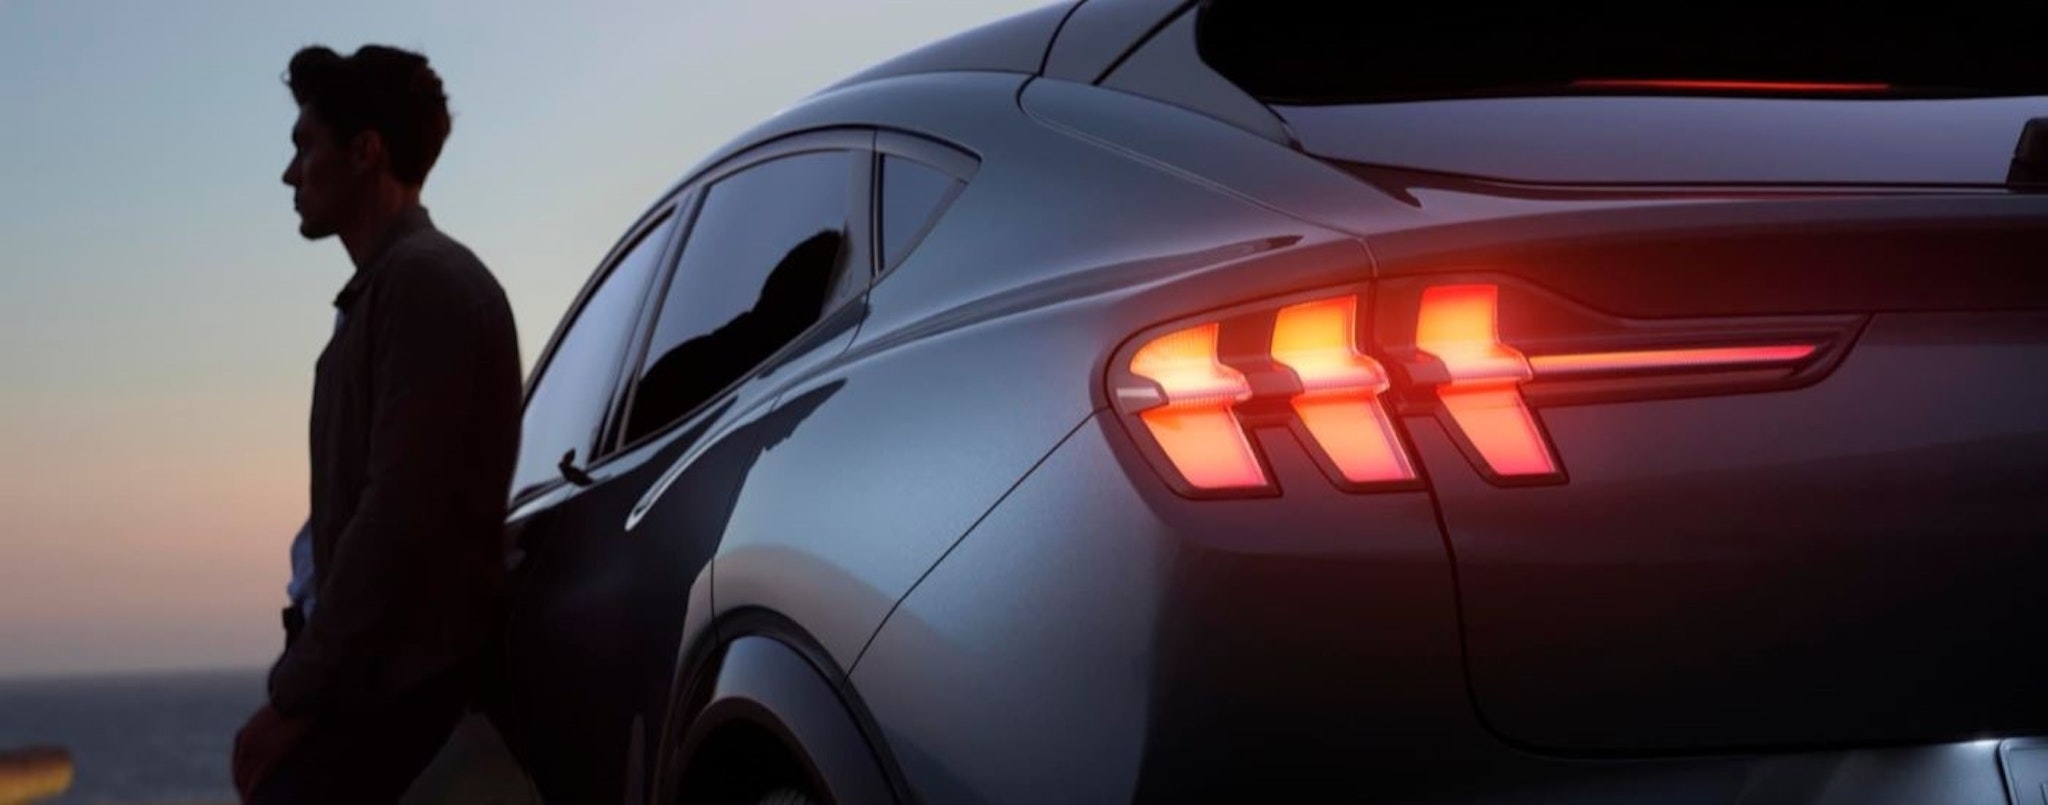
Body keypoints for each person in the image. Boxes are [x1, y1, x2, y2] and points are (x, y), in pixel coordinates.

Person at [231, 43, 522, 804]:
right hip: (373, 680)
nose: (291, 173)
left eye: (305, 146)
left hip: (394, 690)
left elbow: (398, 514)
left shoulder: (424, 283)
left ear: (365, 152)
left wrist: (297, 694)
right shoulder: (390, 290)